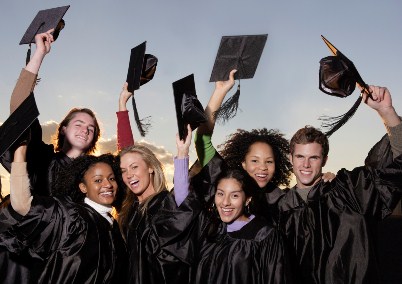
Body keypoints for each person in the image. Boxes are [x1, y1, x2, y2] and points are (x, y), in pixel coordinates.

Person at [274, 85, 402, 283]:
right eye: (300, 156)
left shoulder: (348, 191)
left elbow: (397, 167)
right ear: (290, 158)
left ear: (324, 160)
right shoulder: (277, 207)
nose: (306, 165)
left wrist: (386, 111)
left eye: (314, 157)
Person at [174, 127, 293, 283]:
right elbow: (183, 206)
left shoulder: (265, 236)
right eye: (220, 193)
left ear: (247, 199)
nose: (225, 202)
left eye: (235, 195)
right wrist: (182, 154)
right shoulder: (210, 229)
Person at [0, 144, 128, 283]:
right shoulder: (70, 215)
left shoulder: (115, 227)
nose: (108, 184)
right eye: (98, 180)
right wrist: (20, 151)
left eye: (111, 178)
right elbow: (22, 204)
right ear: (83, 187)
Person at [0, 30, 101, 197]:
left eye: (91, 128)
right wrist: (39, 53)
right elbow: (20, 111)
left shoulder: (98, 172)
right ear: (63, 129)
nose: (85, 130)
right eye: (79, 124)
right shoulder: (42, 162)